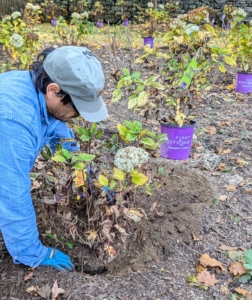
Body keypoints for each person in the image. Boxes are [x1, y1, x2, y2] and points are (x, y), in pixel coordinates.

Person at [0, 46, 108, 272]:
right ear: (53, 90)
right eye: (77, 108)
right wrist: (33, 253)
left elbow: (64, 141)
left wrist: (90, 181)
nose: (78, 116)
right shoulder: (14, 122)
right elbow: (11, 193)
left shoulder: (35, 90)